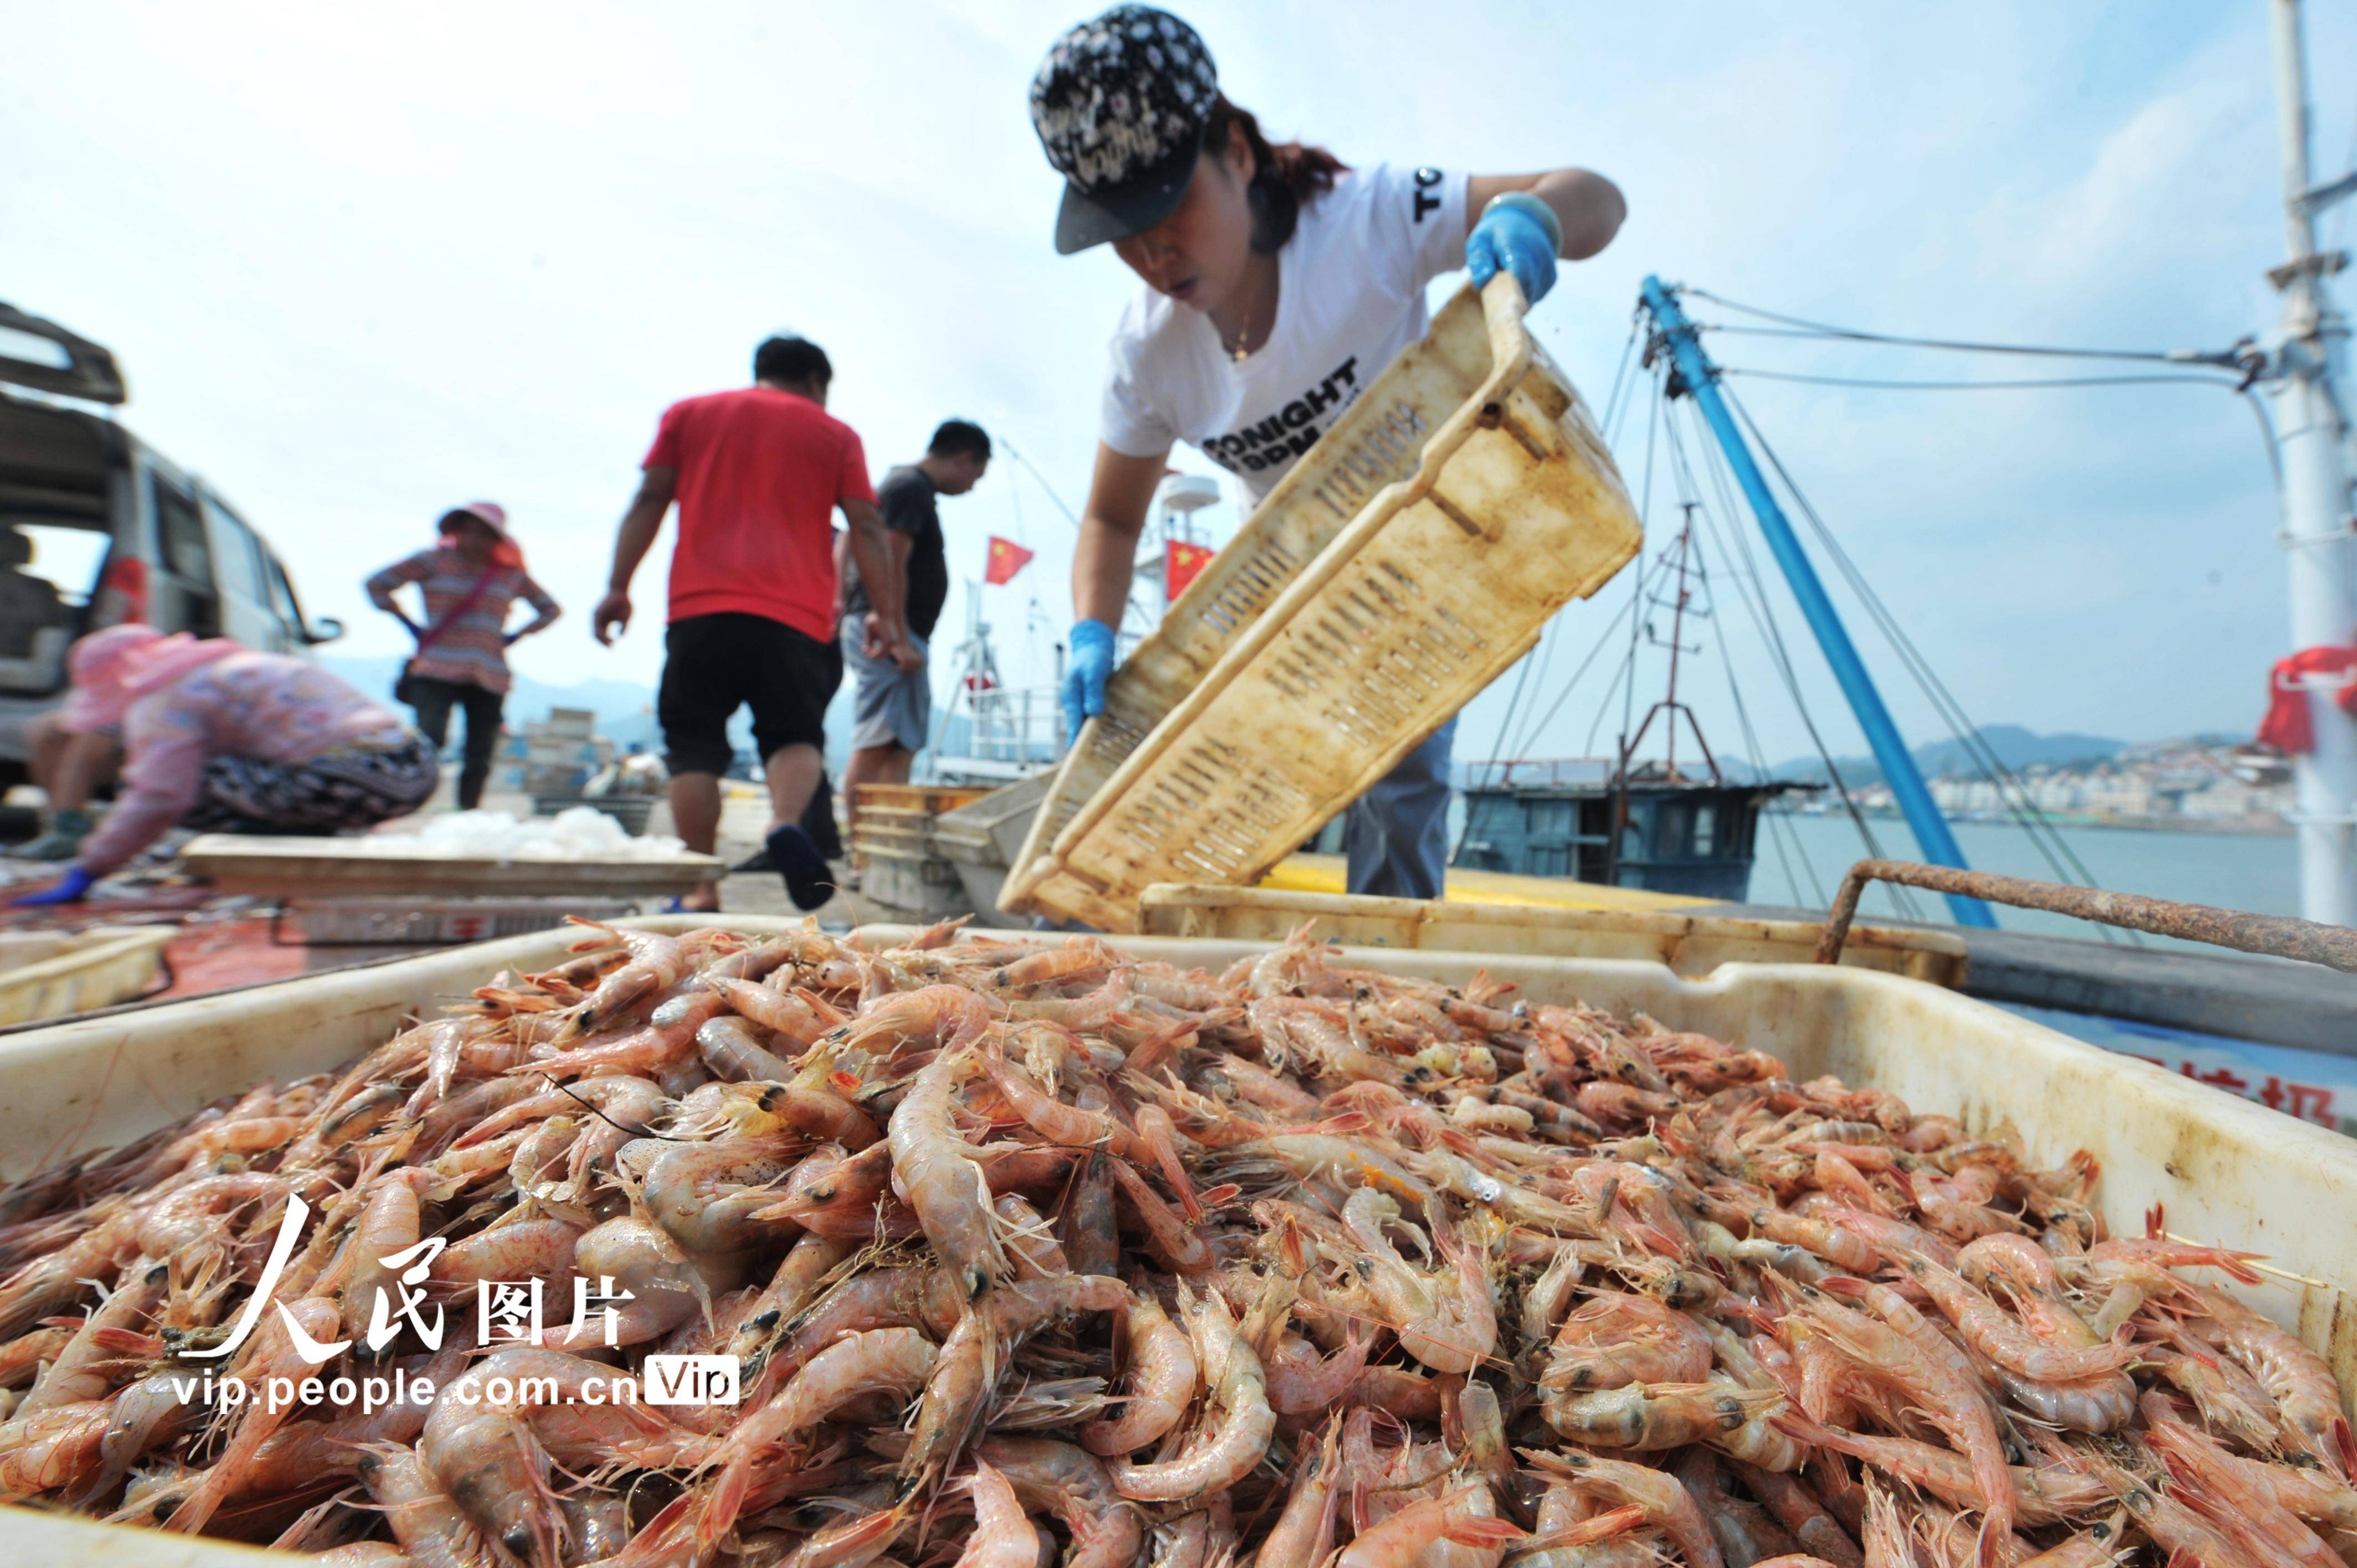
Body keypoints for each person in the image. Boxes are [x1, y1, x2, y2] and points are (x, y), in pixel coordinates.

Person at [1031, 5, 1625, 899]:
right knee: (1212, 806)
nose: (1153, 251)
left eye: (1169, 205)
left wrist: (1535, 214)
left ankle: (1393, 996)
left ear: (1235, 151)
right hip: (1284, 585)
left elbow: (1595, 194)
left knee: (1402, 792)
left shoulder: (1370, 222)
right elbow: (1113, 520)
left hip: (1418, 561)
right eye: (1122, 228)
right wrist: (1091, 632)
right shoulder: (1146, 353)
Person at [594, 334, 912, 912]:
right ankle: (784, 823)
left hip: (700, 606)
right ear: (817, 383)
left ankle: (700, 887)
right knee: (794, 735)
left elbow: (649, 498)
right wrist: (887, 619)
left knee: (693, 748)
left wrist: (618, 587)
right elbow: (866, 527)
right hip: (794, 616)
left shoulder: (689, 414)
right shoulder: (835, 434)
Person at [8, 625, 439, 906]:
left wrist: (91, 866)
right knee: (194, 770)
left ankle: (283, 854)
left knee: (178, 780)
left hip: (359, 777)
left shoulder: (166, 699)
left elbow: (161, 796)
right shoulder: (221, 668)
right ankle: (313, 838)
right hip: (413, 764)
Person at [837, 419, 992, 839]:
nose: (972, 486)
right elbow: (891, 556)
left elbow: (847, 543)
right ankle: (866, 845)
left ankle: (885, 839)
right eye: (975, 476)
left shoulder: (898, 486)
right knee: (878, 739)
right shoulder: (909, 488)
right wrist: (895, 632)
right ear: (963, 459)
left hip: (894, 627)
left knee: (900, 744)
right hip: (889, 632)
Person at [365, 502, 560, 811]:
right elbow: (377, 584)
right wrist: (410, 625)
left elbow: (550, 609)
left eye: (483, 533)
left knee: (480, 751)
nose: (474, 539)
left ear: (497, 540)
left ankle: (468, 811)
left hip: (488, 671)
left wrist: (515, 636)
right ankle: (409, 803)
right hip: (435, 667)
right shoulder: (432, 562)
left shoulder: (510, 576)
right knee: (429, 741)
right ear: (456, 532)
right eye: (467, 530)